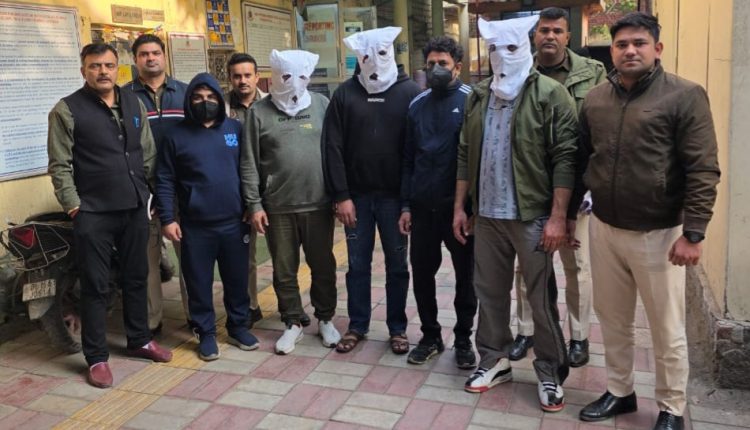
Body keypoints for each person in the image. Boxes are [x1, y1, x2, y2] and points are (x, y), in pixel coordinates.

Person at [576, 13, 720, 430]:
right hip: (605, 228)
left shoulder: (685, 96)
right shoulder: (596, 99)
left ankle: (672, 407)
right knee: (613, 319)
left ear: (657, 49)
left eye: (639, 43)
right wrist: (570, 216)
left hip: (659, 233)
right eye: (621, 44)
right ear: (611, 51)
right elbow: (583, 157)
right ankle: (620, 391)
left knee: (666, 327)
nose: (630, 51)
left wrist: (693, 233)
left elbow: (703, 168)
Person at [454, 16, 578, 412]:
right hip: (488, 217)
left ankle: (549, 371)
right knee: (489, 293)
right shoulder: (479, 96)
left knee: (539, 299)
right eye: (494, 48)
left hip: (532, 216)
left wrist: (558, 217)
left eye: (510, 48)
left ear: (524, 47)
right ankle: (495, 359)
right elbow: (464, 152)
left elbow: (566, 157)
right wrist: (461, 207)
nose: (501, 56)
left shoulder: (550, 93)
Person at [47, 43, 173, 388]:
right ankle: (97, 357)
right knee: (96, 285)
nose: (102, 71)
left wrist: (150, 195)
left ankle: (139, 340)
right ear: (83, 70)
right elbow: (60, 165)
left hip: (134, 207)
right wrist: (74, 206)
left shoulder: (133, 102)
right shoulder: (66, 110)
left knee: (136, 276)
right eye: (94, 66)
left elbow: (147, 152)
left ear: (119, 68)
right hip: (93, 212)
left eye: (108, 65)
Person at [510, 7, 606, 367]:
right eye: (544, 30)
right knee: (526, 265)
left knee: (576, 265)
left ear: (568, 36)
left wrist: (589, 189)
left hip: (576, 188)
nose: (549, 36)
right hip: (530, 184)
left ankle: (578, 337)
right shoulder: (519, 70)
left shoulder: (591, 73)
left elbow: (601, 134)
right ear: (534, 36)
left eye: (557, 31)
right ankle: (526, 331)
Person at [322, 26, 422, 355]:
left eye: (381, 54)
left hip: (395, 199)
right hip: (357, 199)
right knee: (357, 265)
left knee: (397, 266)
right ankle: (358, 325)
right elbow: (332, 147)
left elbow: (415, 152)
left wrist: (408, 202)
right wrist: (341, 195)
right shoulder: (345, 94)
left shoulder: (410, 93)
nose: (375, 62)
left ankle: (397, 328)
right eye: (367, 56)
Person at [241, 49, 340, 355]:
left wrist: (340, 194)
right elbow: (249, 161)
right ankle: (292, 321)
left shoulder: (321, 105)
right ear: (273, 76)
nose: (293, 83)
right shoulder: (258, 112)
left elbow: (335, 151)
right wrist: (254, 204)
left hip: (318, 204)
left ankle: (325, 318)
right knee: (284, 269)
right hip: (278, 206)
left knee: (323, 265)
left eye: (301, 76)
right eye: (286, 76)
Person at [156, 72, 259, 361]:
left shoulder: (235, 129)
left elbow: (249, 170)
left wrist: (252, 206)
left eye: (211, 97)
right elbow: (165, 179)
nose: (205, 102)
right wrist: (168, 218)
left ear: (219, 98)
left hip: (235, 223)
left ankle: (238, 327)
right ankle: (206, 333)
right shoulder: (175, 135)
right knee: (198, 282)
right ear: (189, 101)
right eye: (199, 98)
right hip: (195, 227)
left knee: (237, 279)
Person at [398, 36, 477, 369]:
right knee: (422, 275)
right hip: (422, 208)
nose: (435, 69)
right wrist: (406, 205)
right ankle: (430, 336)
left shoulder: (472, 101)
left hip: (459, 211)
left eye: (442, 63)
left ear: (457, 67)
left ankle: (463, 339)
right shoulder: (417, 104)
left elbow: (476, 158)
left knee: (466, 277)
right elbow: (407, 159)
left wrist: (472, 208)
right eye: (430, 64)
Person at [123, 34, 188, 335]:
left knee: (190, 258)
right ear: (135, 59)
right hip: (142, 193)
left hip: (182, 192)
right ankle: (151, 322)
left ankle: (196, 316)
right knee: (146, 263)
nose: (150, 58)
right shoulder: (123, 97)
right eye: (144, 54)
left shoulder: (186, 93)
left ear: (164, 56)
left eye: (155, 53)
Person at [225, 52, 266, 328]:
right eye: (237, 76)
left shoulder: (271, 104)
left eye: (247, 75)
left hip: (273, 189)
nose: (243, 81)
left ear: (257, 77)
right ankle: (250, 305)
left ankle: (290, 308)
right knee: (245, 254)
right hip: (238, 191)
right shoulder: (221, 108)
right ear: (230, 78)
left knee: (283, 253)